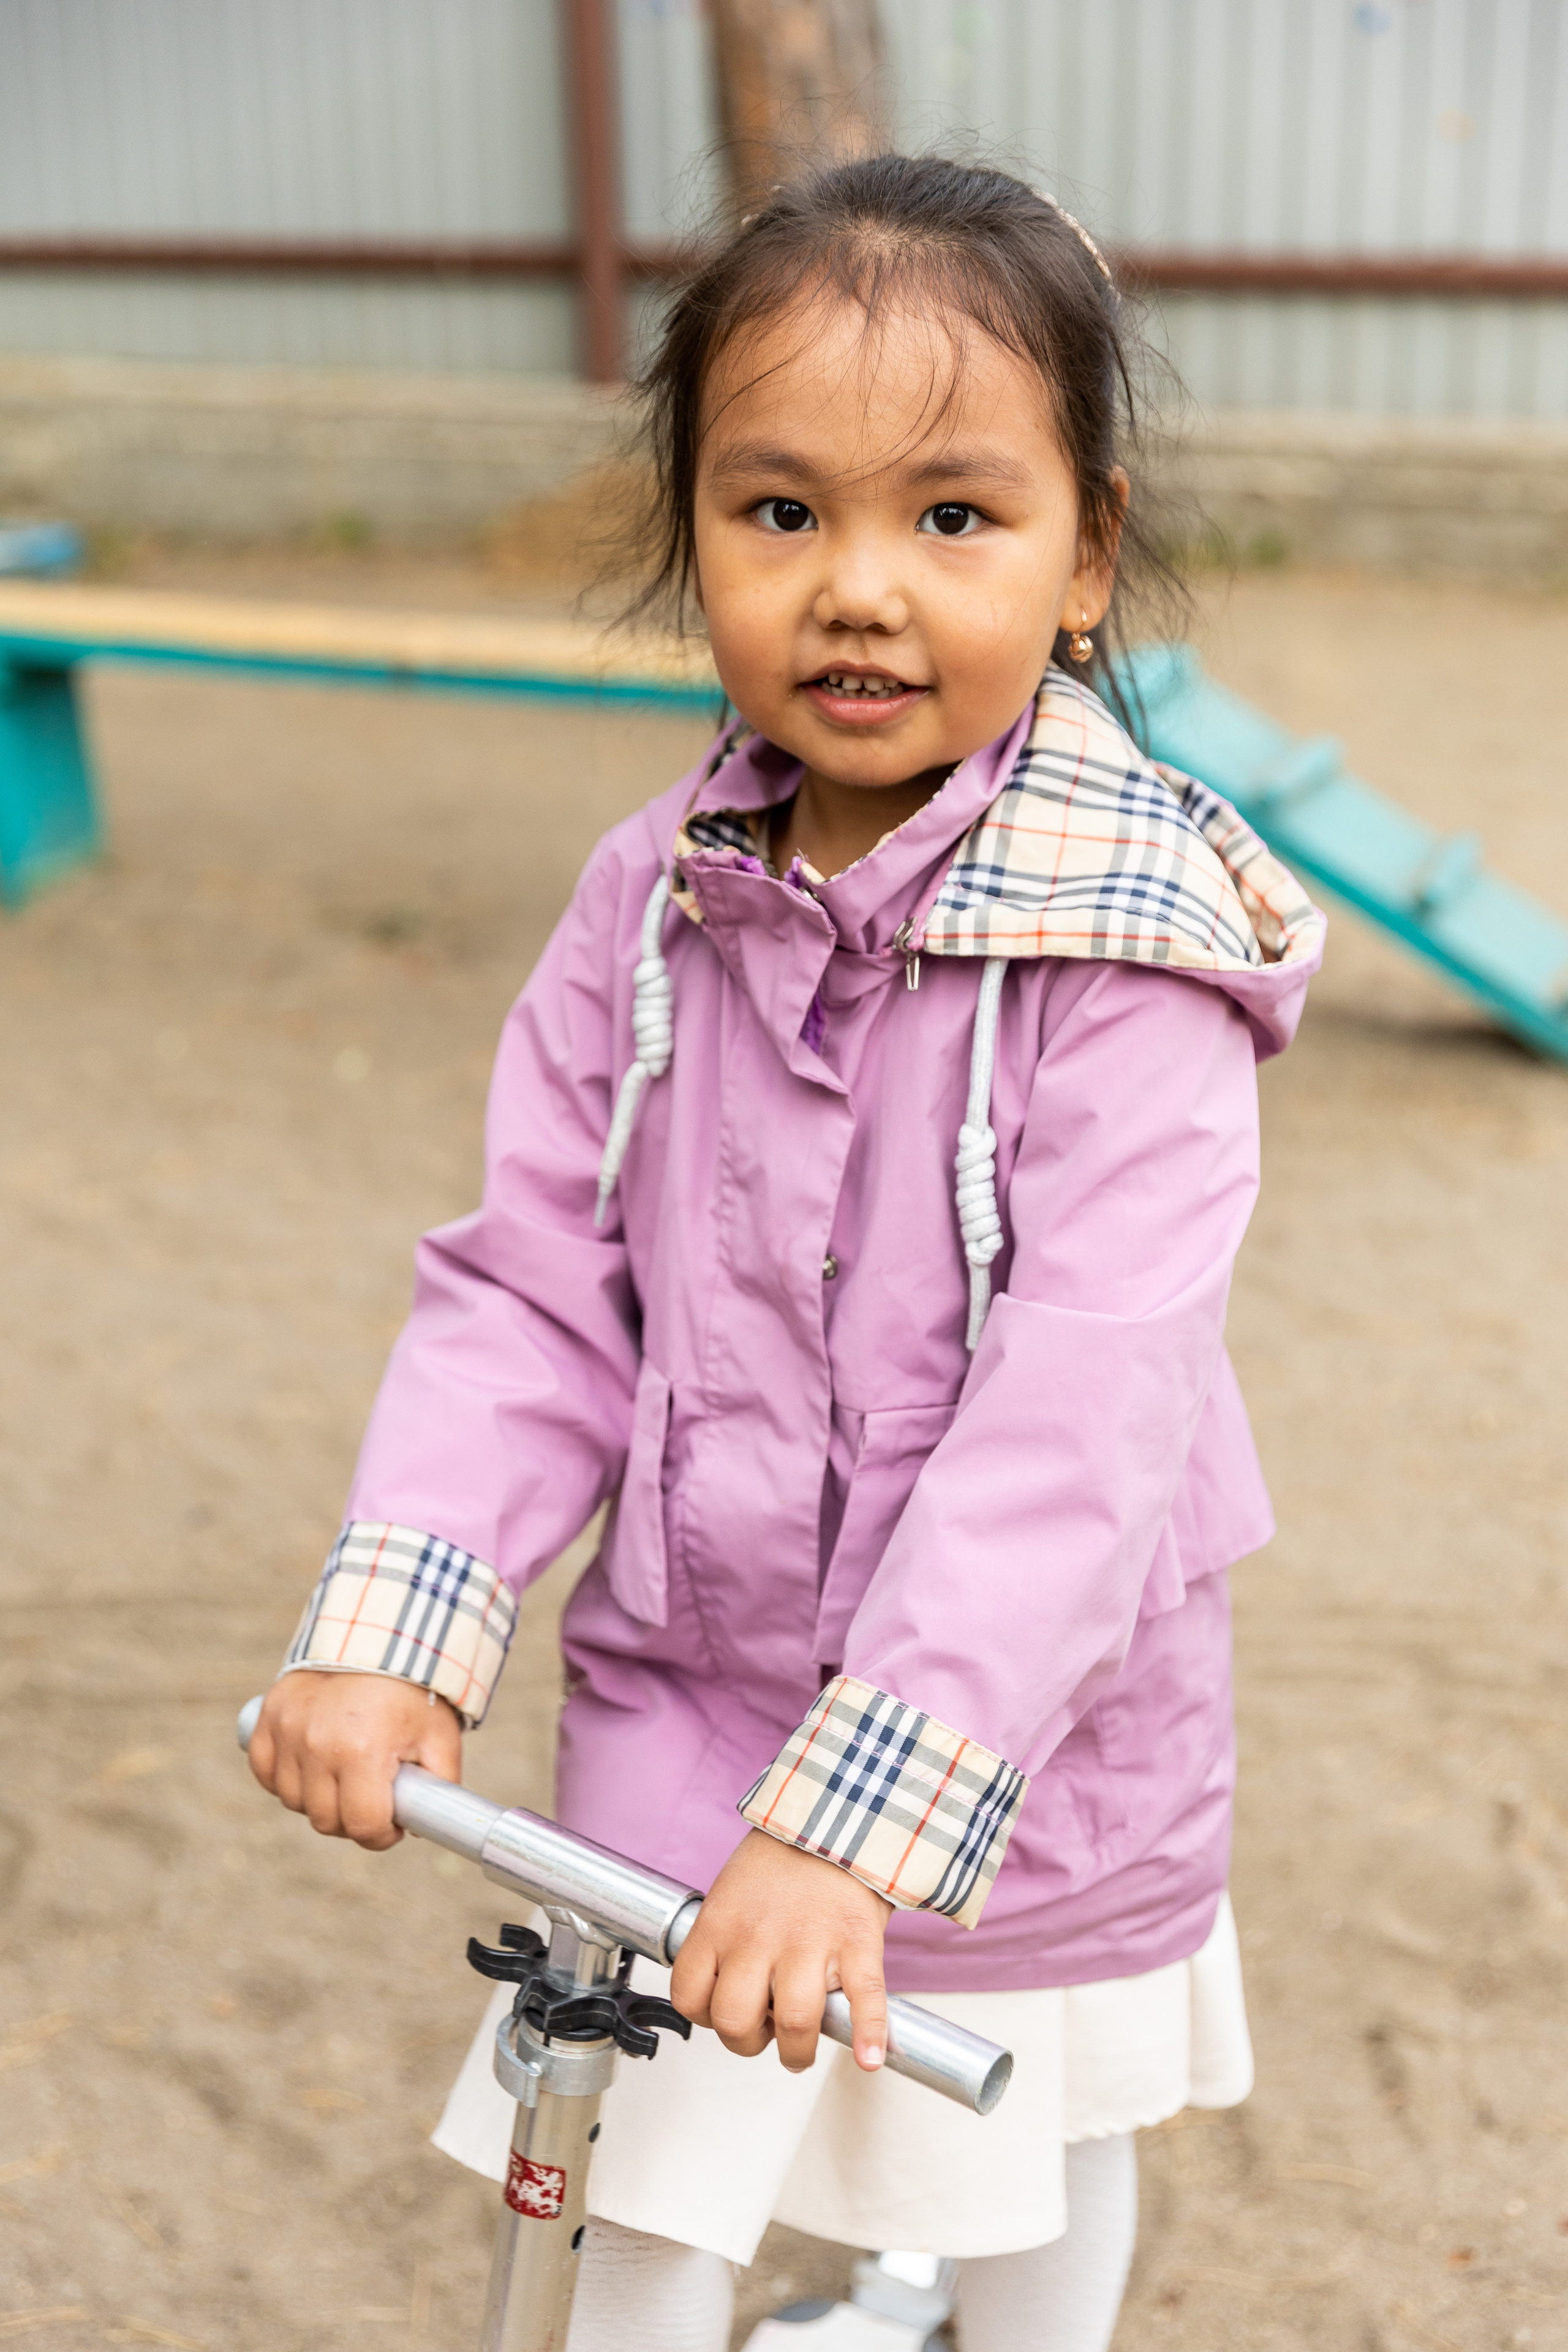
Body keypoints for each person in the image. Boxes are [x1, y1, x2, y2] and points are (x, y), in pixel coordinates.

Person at [249, 154, 1324, 2351]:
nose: (859, 591)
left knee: (1025, 2144)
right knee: (643, 2162)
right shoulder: (648, 904)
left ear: (1087, 550)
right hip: (693, 1670)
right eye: (778, 511)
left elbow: (1079, 1425)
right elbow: (536, 1285)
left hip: (1030, 1722)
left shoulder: (1132, 966)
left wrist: (858, 1827)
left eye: (953, 517)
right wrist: (406, 1618)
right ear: (690, 530)